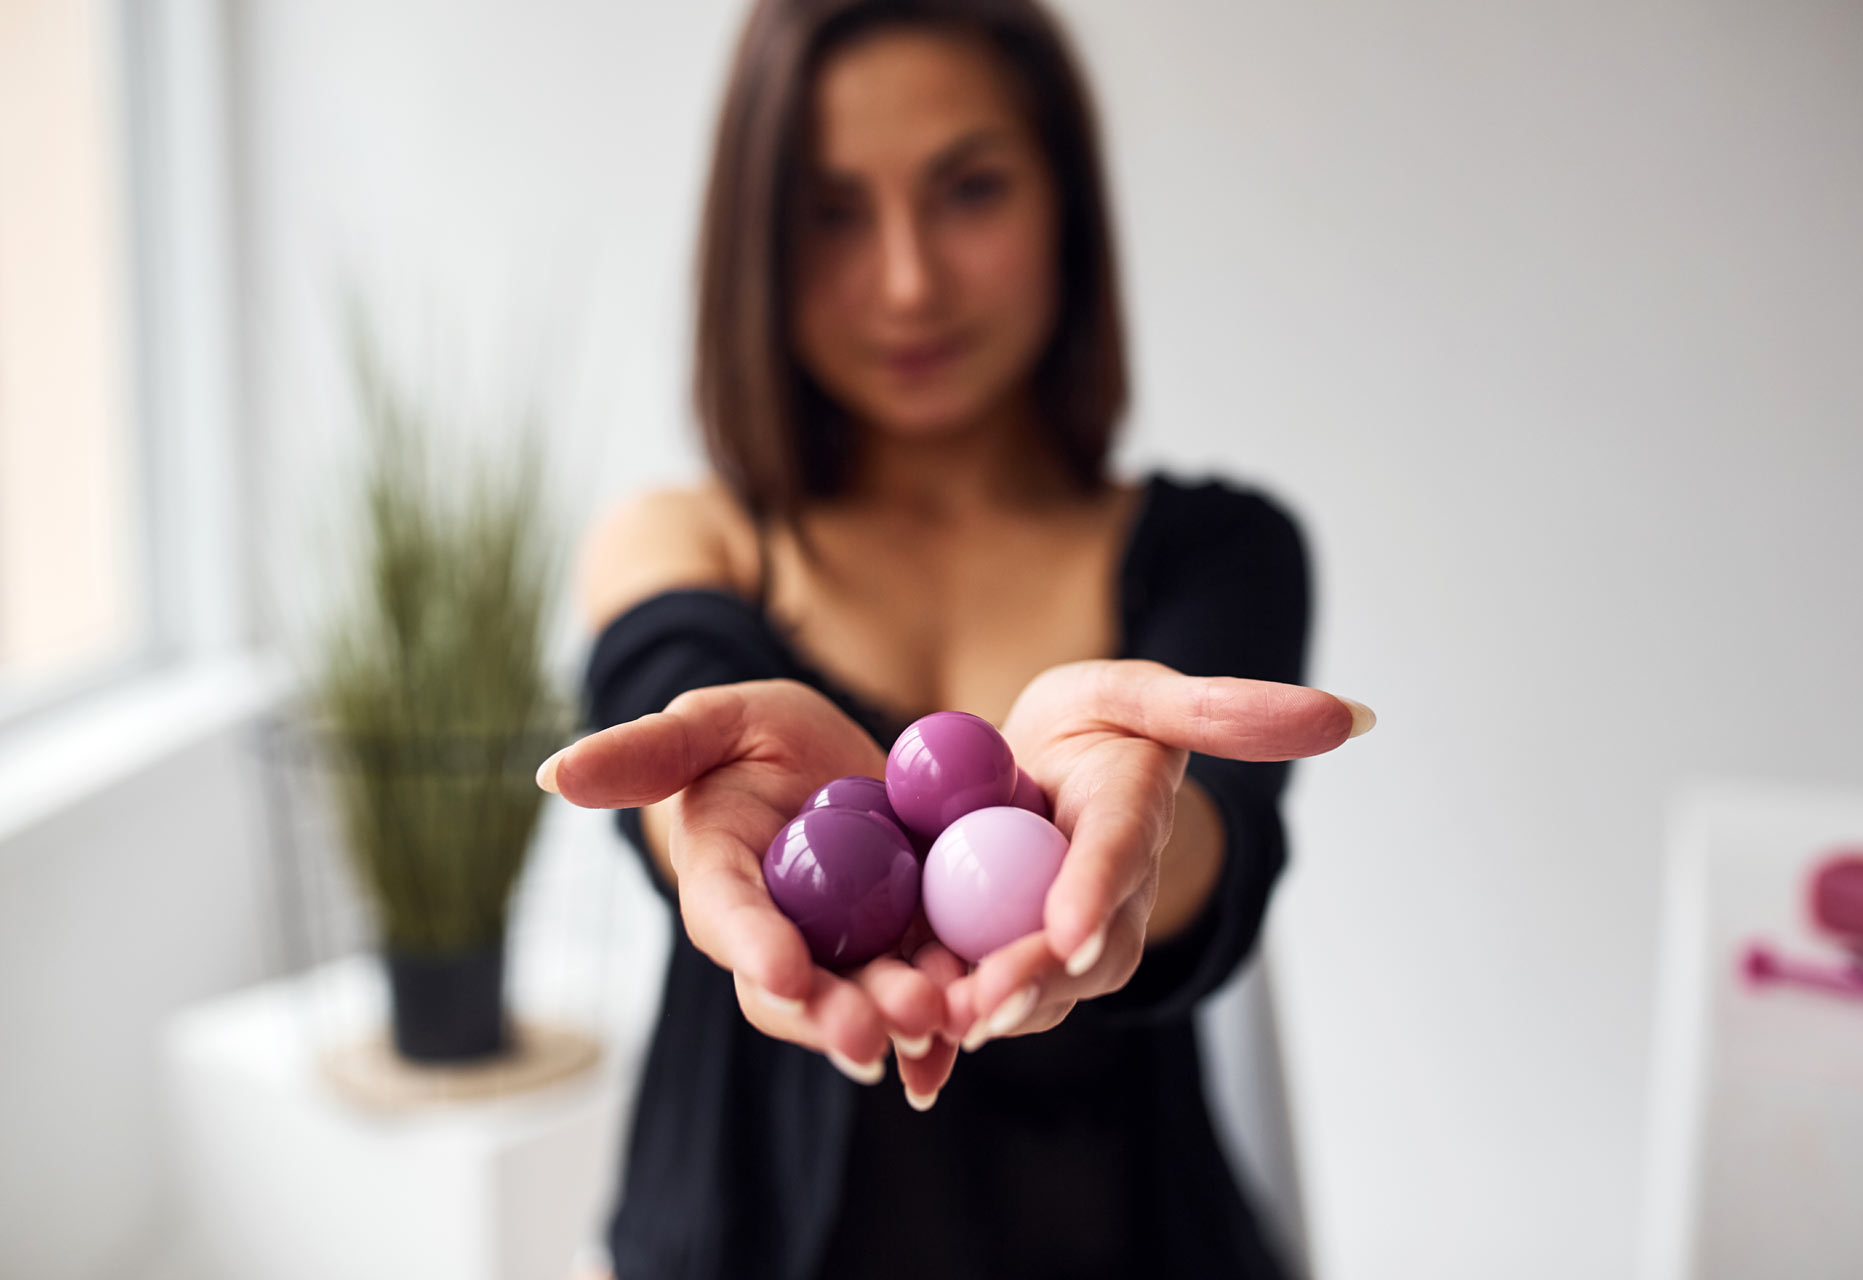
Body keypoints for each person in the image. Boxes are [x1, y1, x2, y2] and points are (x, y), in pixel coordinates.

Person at [536, 1, 1373, 1276]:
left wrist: (1131, 847)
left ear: (1067, 204)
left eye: (969, 189)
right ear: (756, 239)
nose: (908, 278)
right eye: (831, 211)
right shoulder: (682, 539)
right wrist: (712, 822)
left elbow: (1216, 853)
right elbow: (682, 743)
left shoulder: (1221, 549)